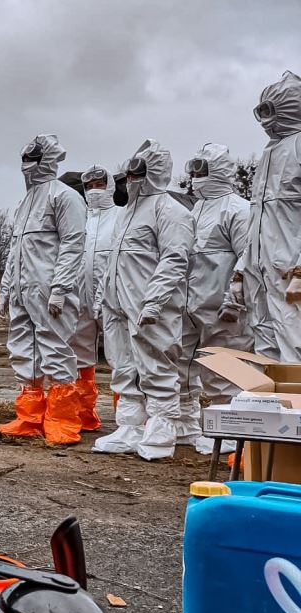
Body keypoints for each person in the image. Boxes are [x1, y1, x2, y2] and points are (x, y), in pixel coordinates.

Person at [93, 139, 192, 460]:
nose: (131, 179)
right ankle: (130, 424)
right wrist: (103, 297)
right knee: (122, 363)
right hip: (117, 303)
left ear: (154, 171)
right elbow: (114, 259)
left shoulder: (171, 211)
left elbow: (175, 259)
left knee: (157, 361)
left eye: (137, 173)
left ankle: (162, 425)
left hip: (150, 304)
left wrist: (155, 300)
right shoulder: (125, 214)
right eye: (129, 173)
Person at [0, 134, 86, 444]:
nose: (27, 166)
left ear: (47, 160)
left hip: (48, 289)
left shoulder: (64, 197)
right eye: (24, 159)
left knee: (55, 348)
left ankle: (62, 420)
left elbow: (73, 244)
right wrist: (6, 288)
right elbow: (15, 249)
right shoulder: (25, 202)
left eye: (32, 159)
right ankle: (30, 416)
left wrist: (60, 288)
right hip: (23, 290)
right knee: (23, 350)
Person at [177, 144, 252, 454]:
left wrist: (235, 298)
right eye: (193, 170)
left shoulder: (239, 209)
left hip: (223, 306)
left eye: (202, 169)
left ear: (218, 169)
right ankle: (185, 424)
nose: (196, 175)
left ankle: (231, 433)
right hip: (189, 304)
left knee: (225, 368)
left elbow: (249, 256)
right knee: (182, 364)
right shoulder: (195, 210)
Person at [247, 70, 301, 362]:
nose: (265, 118)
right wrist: (243, 269)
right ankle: (269, 391)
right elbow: (257, 219)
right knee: (266, 343)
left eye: (270, 109)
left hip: (291, 270)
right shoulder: (269, 153)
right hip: (263, 270)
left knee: (296, 341)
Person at [71, 165, 120, 433]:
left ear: (110, 186)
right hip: (79, 297)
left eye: (100, 185)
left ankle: (127, 417)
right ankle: (82, 414)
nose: (94, 190)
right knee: (80, 356)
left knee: (120, 355)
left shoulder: (122, 217)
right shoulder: (79, 219)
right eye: (89, 186)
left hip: (113, 297)